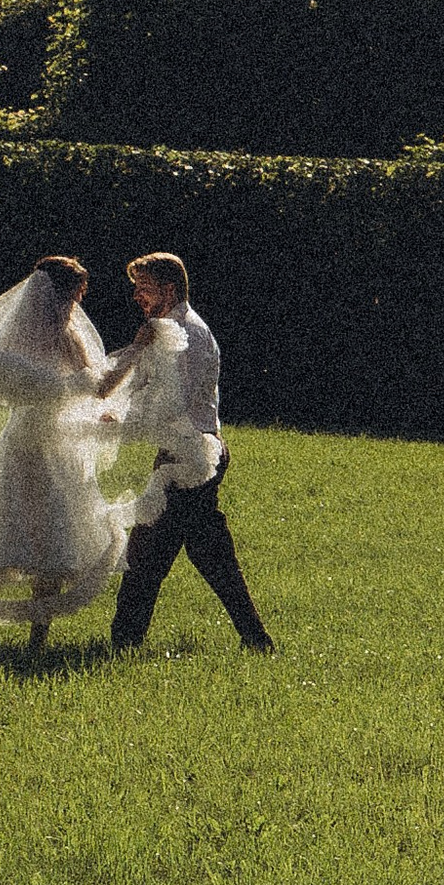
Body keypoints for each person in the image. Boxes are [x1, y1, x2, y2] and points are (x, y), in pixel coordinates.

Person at [0, 255, 124, 648]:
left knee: (10, 534)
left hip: (20, 441)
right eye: (76, 294)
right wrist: (135, 353)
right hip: (50, 444)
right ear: (61, 295)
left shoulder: (15, 332)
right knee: (51, 540)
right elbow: (99, 387)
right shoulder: (65, 335)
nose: (78, 303)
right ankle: (36, 637)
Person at [103, 251, 273, 653]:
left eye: (144, 289)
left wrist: (125, 422)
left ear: (169, 289)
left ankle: (123, 642)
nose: (138, 297)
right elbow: (145, 390)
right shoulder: (162, 331)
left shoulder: (189, 334)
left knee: (147, 553)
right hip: (180, 455)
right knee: (208, 554)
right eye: (136, 289)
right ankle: (256, 640)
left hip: (194, 457)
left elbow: (173, 405)